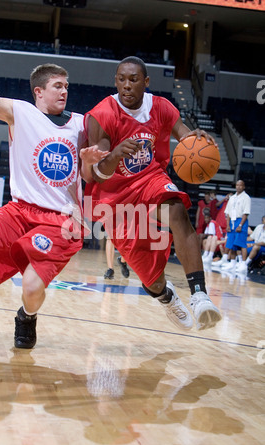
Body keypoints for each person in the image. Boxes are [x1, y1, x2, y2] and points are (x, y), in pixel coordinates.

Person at [0, 12, 107, 348]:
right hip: (19, 210)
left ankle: (27, 315)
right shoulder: (19, 112)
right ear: (38, 92)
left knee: (31, 289)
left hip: (61, 219)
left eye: (67, 86)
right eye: (58, 86)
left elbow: (93, 176)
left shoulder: (82, 124)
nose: (65, 91)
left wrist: (89, 164)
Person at [83, 56, 221, 331]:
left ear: (146, 82)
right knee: (150, 276)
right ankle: (166, 296)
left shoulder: (161, 107)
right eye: (121, 79)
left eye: (133, 80)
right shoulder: (103, 114)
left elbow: (184, 135)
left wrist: (196, 141)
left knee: (178, 212)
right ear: (115, 81)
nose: (126, 85)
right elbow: (96, 174)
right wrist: (115, 154)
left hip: (150, 179)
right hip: (116, 198)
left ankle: (199, 295)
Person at [221, 180, 251, 273]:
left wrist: (240, 225)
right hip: (232, 221)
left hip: (241, 220)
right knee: (233, 244)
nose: (238, 187)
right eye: (237, 185)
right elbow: (228, 212)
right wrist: (227, 225)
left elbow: (246, 213)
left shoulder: (246, 198)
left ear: (244, 187)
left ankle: (243, 264)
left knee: (242, 243)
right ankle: (233, 263)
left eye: (240, 185)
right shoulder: (232, 197)